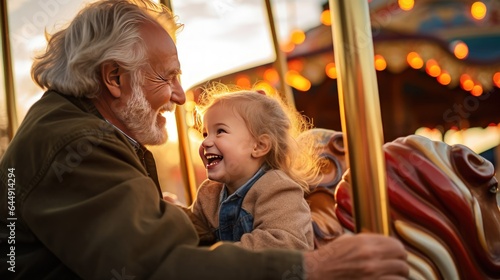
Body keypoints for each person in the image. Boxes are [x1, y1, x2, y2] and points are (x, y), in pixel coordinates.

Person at [0, 0, 409, 279]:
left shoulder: (68, 130)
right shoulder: (75, 145)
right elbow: (155, 267)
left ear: (260, 145)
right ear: (114, 78)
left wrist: (163, 216)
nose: (179, 96)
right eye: (167, 76)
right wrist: (310, 270)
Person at [189, 87, 321, 250]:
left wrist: (216, 257)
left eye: (220, 131)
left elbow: (284, 245)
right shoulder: (208, 194)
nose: (206, 142)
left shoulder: (279, 189)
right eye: (205, 134)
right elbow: (191, 235)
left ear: (259, 146)